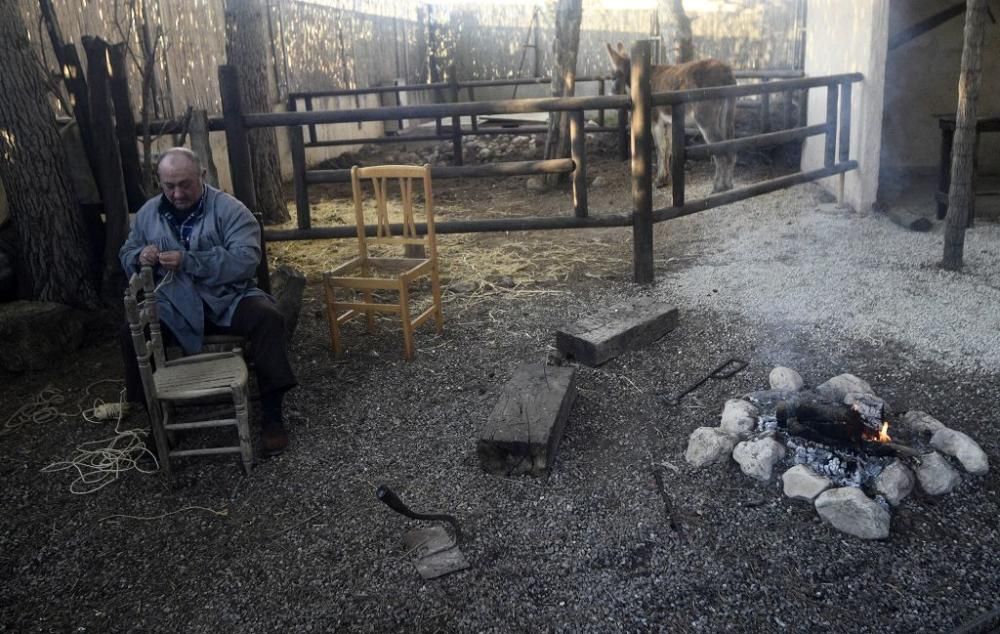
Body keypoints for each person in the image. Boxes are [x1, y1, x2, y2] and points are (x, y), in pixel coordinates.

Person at [119, 147, 296, 456]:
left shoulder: (230, 209)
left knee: (269, 318)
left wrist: (190, 261)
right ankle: (157, 423)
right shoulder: (148, 212)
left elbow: (246, 260)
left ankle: (272, 416)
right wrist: (139, 256)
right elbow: (126, 252)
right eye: (169, 185)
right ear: (158, 182)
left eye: (185, 184)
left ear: (202, 176)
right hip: (174, 304)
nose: (177, 193)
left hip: (227, 298)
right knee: (130, 333)